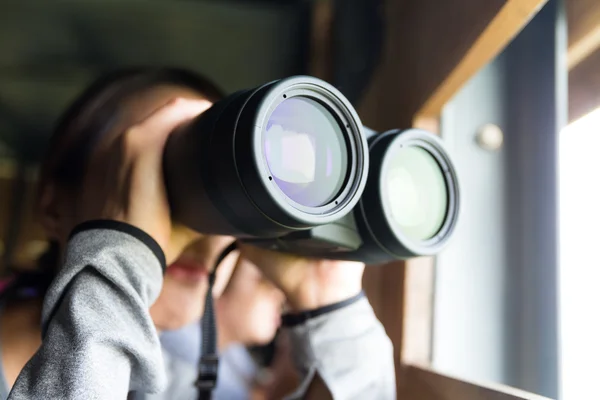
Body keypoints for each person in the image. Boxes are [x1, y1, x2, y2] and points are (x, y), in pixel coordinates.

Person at [3, 67, 396, 399]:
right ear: (53, 206)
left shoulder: (165, 383)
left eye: (214, 190)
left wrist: (327, 301)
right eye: (163, 185)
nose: (199, 232)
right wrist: (123, 258)